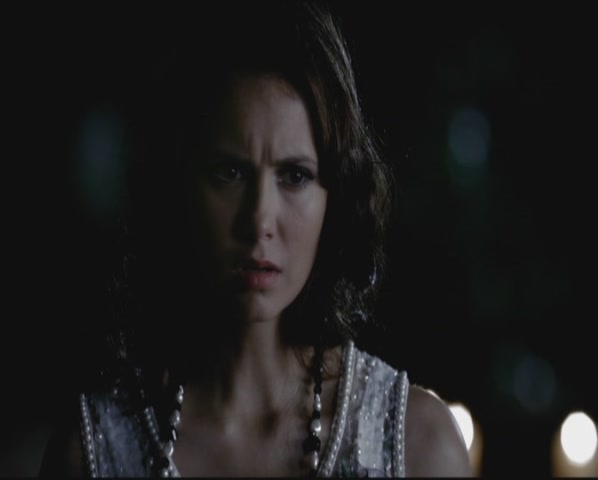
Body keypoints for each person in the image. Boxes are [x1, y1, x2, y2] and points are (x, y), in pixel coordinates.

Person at [39, 1, 472, 477]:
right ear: (179, 184)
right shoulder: (92, 454)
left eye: (294, 176)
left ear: (335, 196)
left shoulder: (418, 446)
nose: (260, 219)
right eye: (231, 173)